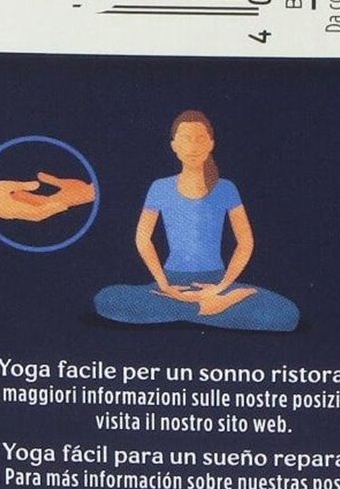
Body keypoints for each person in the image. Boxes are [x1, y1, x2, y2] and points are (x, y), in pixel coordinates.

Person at [94, 110, 299, 332]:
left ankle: (189, 308)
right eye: (185, 139)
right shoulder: (160, 187)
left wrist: (221, 287)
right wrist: (164, 285)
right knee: (106, 298)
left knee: (287, 314)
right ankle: (206, 308)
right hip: (171, 283)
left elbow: (246, 242)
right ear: (174, 146)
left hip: (216, 282)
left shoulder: (226, 188)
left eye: (200, 139)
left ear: (211, 144)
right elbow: (142, 238)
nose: (193, 146)